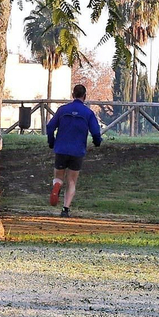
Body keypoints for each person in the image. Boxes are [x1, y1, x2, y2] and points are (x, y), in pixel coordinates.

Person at [46, 83, 102, 217]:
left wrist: (51, 141)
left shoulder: (62, 110)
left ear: (73, 95)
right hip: (77, 150)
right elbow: (95, 132)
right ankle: (65, 209)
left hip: (61, 148)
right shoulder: (88, 113)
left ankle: (57, 185)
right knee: (71, 181)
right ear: (85, 96)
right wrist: (97, 142)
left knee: (58, 176)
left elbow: (50, 127)